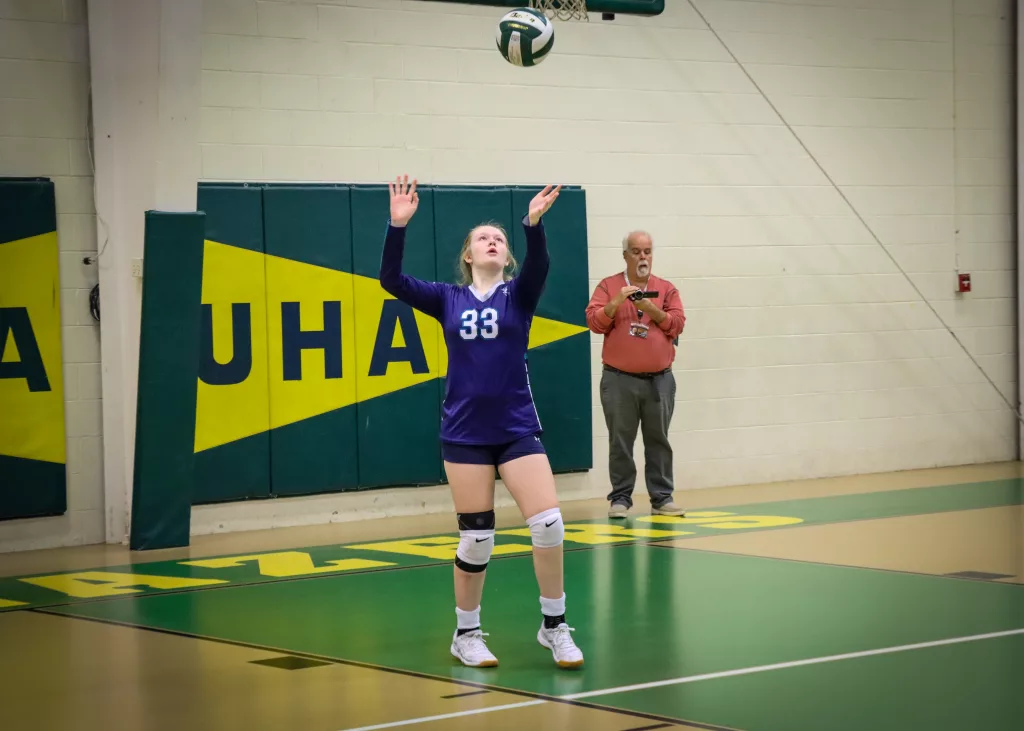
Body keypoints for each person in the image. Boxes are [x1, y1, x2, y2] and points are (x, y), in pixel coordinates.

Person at [379, 174, 583, 670]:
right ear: (468, 256)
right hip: (465, 433)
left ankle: (554, 626)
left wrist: (532, 224)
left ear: (507, 258)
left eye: (500, 240)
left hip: (516, 427)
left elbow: (540, 264)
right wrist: (397, 226)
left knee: (549, 525)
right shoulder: (447, 298)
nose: (492, 242)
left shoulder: (519, 295)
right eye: (482, 239)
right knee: (476, 538)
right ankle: (466, 633)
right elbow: (391, 281)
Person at [585, 230, 686, 519]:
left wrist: (651, 309)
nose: (643, 257)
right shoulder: (609, 286)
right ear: (625, 255)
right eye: (637, 251)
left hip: (660, 380)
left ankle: (662, 498)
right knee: (620, 441)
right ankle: (620, 498)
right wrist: (616, 303)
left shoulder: (666, 289)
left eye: (647, 251)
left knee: (659, 440)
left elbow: (677, 324)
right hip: (619, 380)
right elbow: (594, 322)